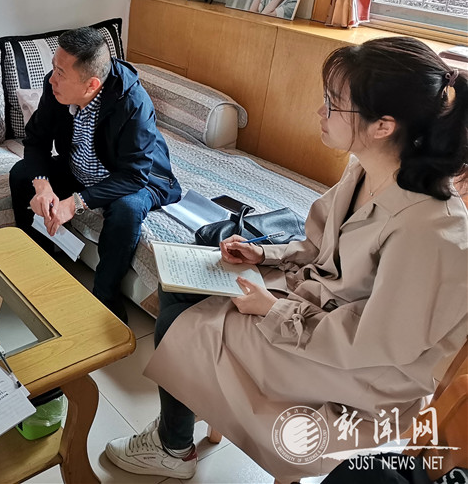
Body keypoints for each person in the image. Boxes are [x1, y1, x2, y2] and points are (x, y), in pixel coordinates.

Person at [105, 36, 468, 482]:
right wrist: (264, 252)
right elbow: (318, 244)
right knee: (183, 283)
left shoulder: (433, 230)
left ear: (383, 126)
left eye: (333, 104)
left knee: (184, 322)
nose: (320, 111)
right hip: (317, 308)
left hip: (360, 371)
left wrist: (272, 310)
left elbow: (378, 344)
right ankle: (179, 426)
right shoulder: (364, 169)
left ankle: (172, 447)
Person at [10, 27, 182, 323]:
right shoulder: (56, 88)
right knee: (22, 173)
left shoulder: (134, 103)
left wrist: (74, 203)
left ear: (91, 84)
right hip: (80, 168)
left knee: (127, 209)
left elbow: (133, 176)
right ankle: (41, 266)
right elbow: (36, 140)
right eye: (54, 68)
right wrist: (43, 187)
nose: (51, 79)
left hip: (133, 177)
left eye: (60, 73)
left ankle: (106, 298)